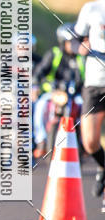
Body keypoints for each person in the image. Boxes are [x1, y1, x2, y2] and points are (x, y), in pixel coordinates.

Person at [67, 0, 105, 210]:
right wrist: (78, 46)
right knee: (89, 142)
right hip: (94, 83)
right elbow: (73, 39)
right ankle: (102, 165)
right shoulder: (92, 8)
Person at [32, 23, 85, 158]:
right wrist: (35, 85)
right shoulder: (54, 54)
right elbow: (40, 71)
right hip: (54, 94)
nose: (73, 45)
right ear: (63, 42)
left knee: (84, 110)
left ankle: (84, 141)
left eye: (75, 42)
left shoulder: (80, 58)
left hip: (75, 95)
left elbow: (85, 78)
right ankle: (41, 140)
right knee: (39, 107)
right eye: (70, 42)